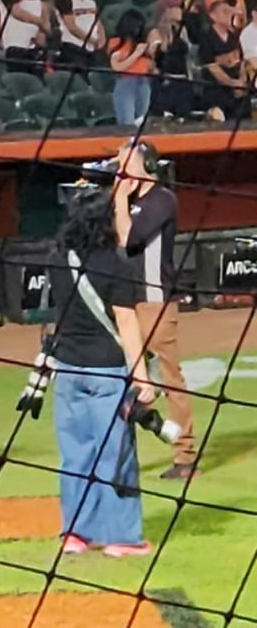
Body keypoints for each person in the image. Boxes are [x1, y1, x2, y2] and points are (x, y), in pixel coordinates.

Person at [48, 188, 153, 557]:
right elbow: (126, 323)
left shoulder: (58, 260)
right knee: (116, 455)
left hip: (68, 369)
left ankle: (77, 533)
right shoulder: (117, 265)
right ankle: (123, 537)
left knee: (76, 455)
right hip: (108, 370)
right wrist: (143, 378)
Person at [114, 139, 197, 479]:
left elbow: (127, 240)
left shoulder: (162, 201)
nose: (120, 171)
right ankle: (118, 457)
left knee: (170, 378)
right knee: (122, 380)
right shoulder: (128, 201)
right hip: (126, 303)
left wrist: (119, 198)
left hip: (155, 302)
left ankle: (185, 456)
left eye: (126, 163)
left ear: (147, 166)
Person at [55, 0, 106, 72]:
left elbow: (98, 23)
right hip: (73, 48)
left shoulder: (90, 2)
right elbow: (71, 26)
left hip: (92, 49)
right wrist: (90, 39)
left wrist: (102, 38)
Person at [108, 9, 153, 127]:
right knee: (127, 122)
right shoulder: (116, 42)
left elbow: (149, 64)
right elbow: (117, 67)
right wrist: (136, 54)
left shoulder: (141, 43)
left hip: (143, 81)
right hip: (126, 82)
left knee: (142, 121)